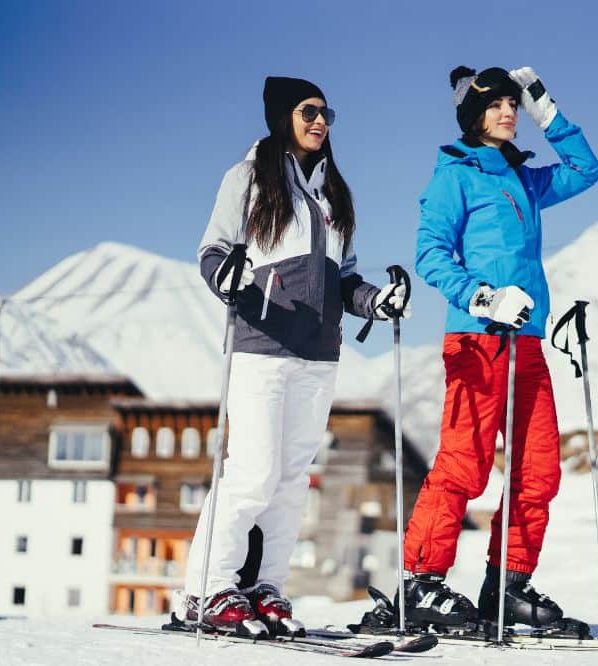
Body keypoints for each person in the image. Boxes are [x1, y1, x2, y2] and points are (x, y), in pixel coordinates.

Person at [180, 76, 409, 635]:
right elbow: (213, 248)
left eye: (327, 112)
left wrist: (377, 302)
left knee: (289, 482)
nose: (320, 121)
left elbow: (344, 278)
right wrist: (225, 276)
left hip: (318, 355)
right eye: (308, 111)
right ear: (282, 116)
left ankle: (267, 587)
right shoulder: (249, 178)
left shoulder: (336, 194)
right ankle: (206, 590)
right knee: (252, 474)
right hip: (262, 343)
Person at [397, 65, 598, 633]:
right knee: (465, 464)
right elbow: (431, 253)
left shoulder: (525, 181)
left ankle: (506, 588)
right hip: (476, 338)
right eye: (497, 105)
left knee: (539, 471)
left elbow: (587, 170)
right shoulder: (455, 177)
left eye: (515, 103)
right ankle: (422, 583)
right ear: (473, 116)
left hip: (528, 342)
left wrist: (550, 113)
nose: (509, 112)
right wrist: (481, 296)